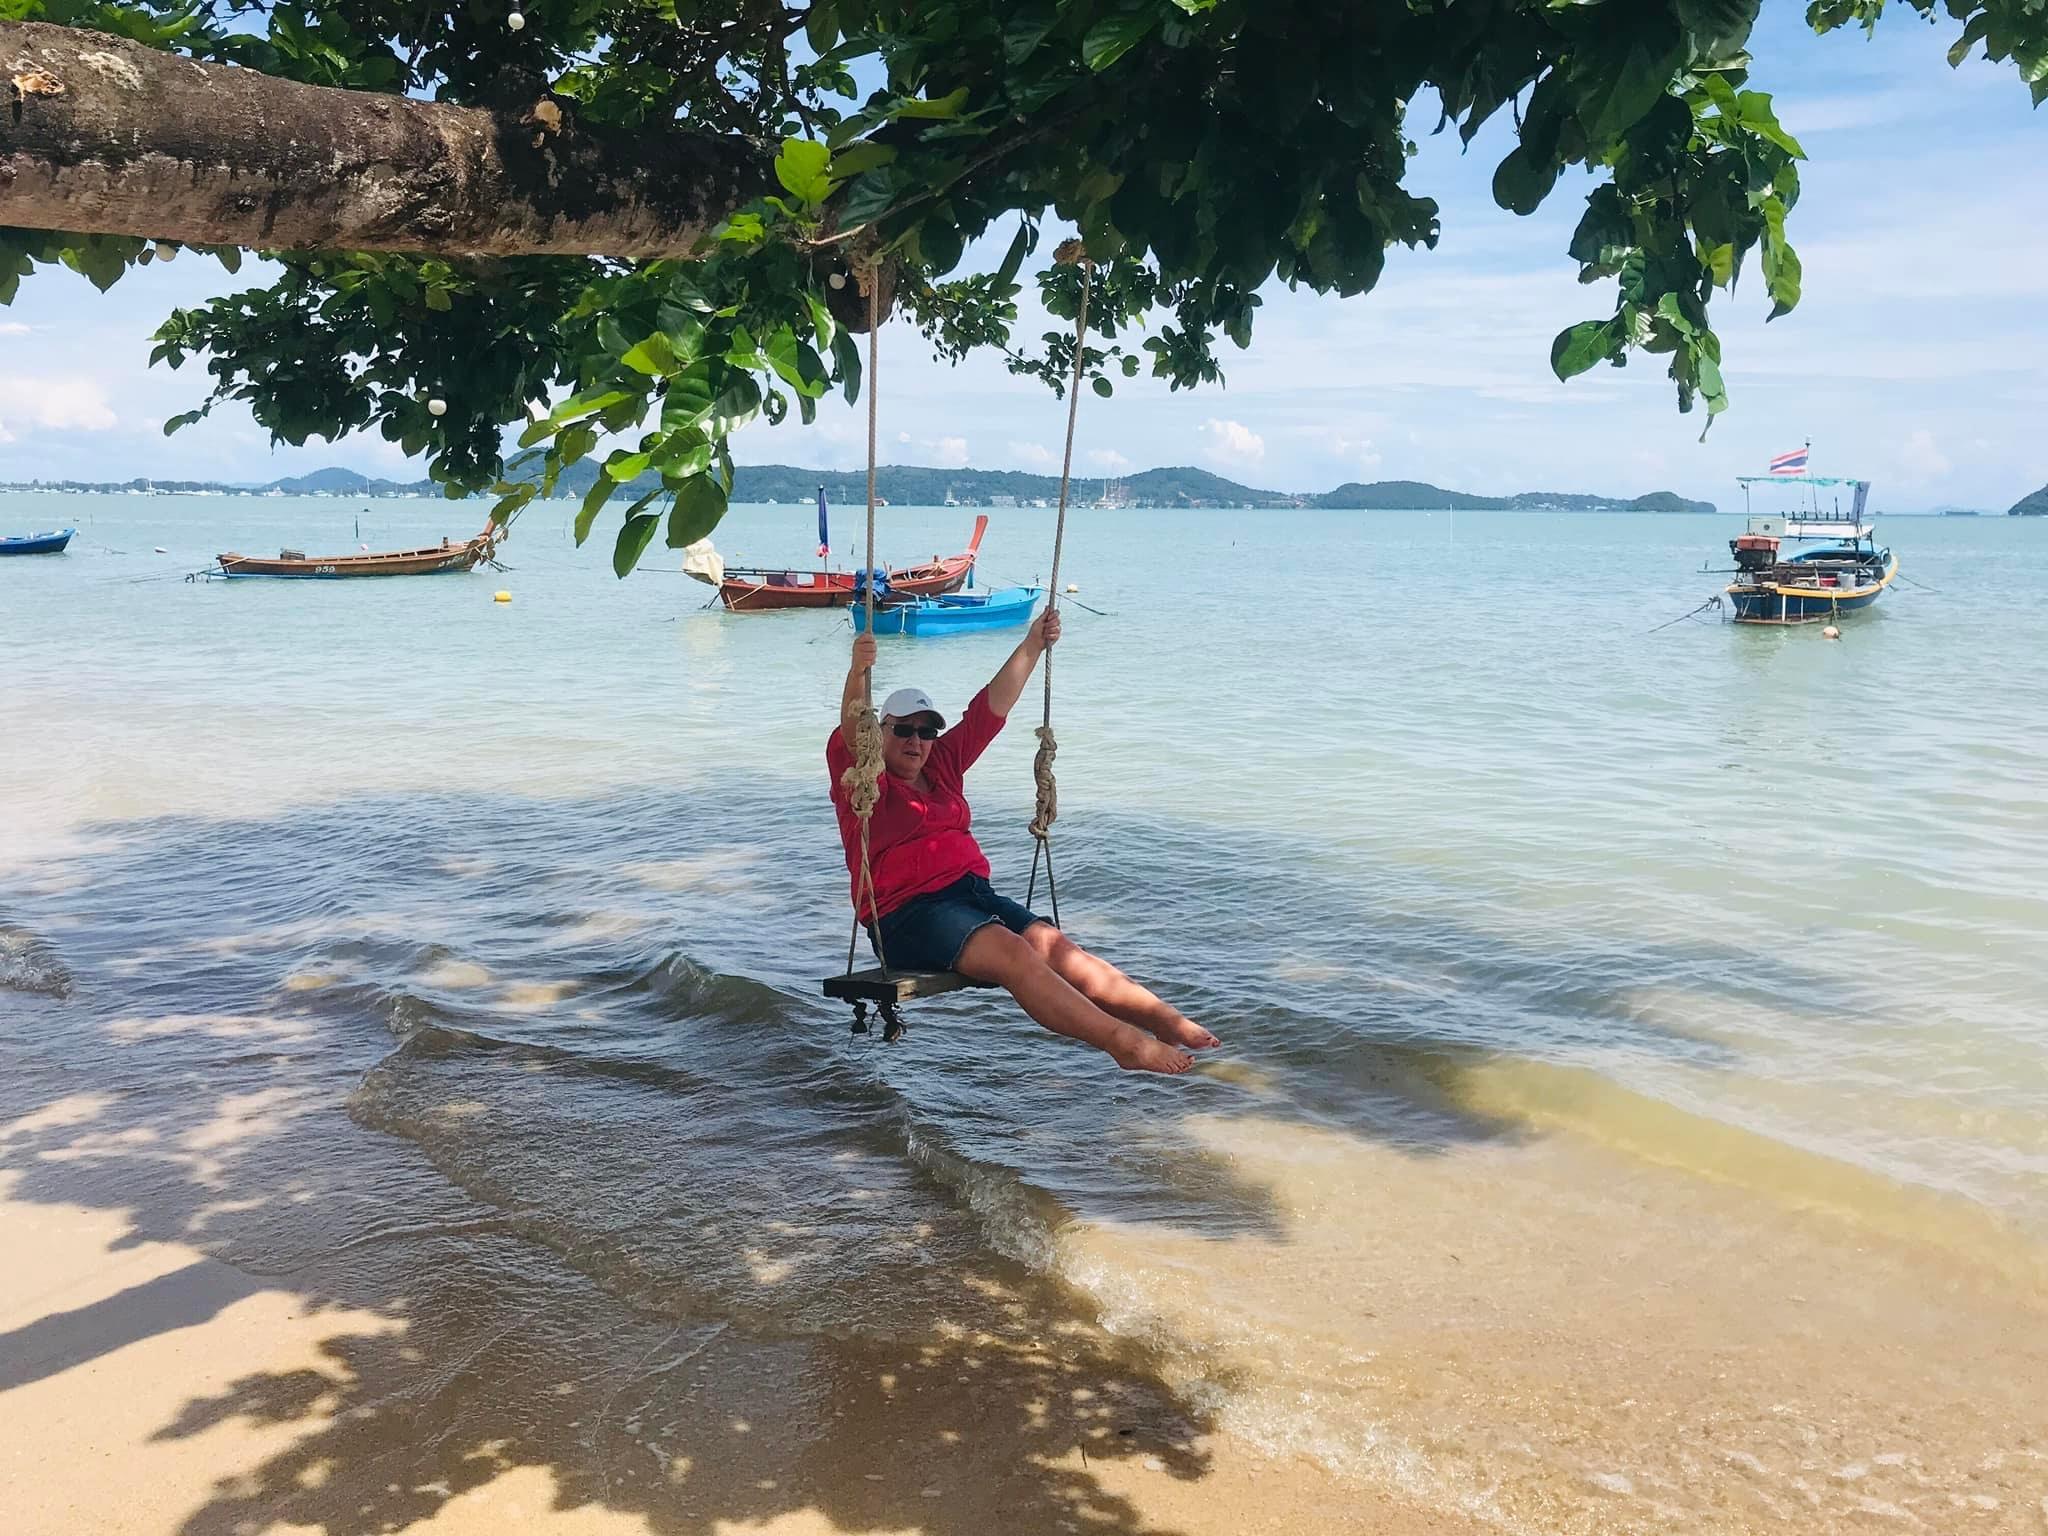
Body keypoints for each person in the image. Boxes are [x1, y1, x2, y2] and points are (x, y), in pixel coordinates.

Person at [828, 610, 1219, 1075]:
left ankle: (1163, 1020)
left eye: (927, 731)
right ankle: (1124, 1044)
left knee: (1056, 947)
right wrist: (857, 673)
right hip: (907, 913)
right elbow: (853, 732)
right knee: (1016, 954)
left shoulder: (941, 768)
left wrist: (1033, 642)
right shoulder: (865, 781)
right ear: (881, 732)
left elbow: (989, 710)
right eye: (904, 730)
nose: (917, 740)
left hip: (971, 896)